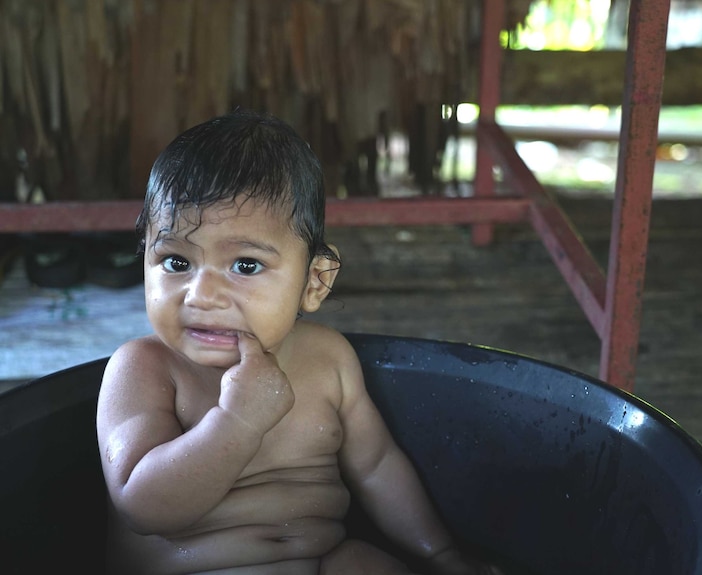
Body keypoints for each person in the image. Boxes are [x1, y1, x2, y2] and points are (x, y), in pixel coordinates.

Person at [96, 110, 501, 575]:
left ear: (315, 281)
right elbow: (143, 506)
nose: (202, 295)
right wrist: (237, 422)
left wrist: (439, 553)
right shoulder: (144, 368)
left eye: (245, 266)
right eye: (174, 262)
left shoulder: (327, 360)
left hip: (320, 560)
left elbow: (377, 468)